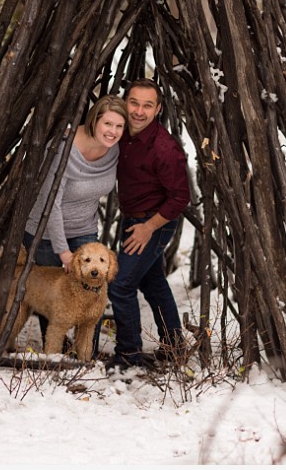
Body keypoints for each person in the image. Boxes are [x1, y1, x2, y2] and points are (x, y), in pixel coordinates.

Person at [23, 95, 129, 355]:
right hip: (47, 230)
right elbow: (52, 205)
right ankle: (54, 356)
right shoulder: (63, 148)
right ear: (94, 120)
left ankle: (83, 358)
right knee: (54, 297)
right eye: (108, 124)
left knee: (92, 292)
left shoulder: (113, 150)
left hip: (85, 229)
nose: (113, 132)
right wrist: (63, 252)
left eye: (119, 127)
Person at [107, 79, 190, 370]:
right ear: (125, 102)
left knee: (120, 285)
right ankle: (175, 346)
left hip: (154, 222)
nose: (139, 111)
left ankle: (128, 355)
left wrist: (148, 228)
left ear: (158, 109)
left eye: (147, 105)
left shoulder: (165, 149)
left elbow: (181, 198)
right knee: (152, 283)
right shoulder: (121, 132)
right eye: (134, 103)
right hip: (133, 219)